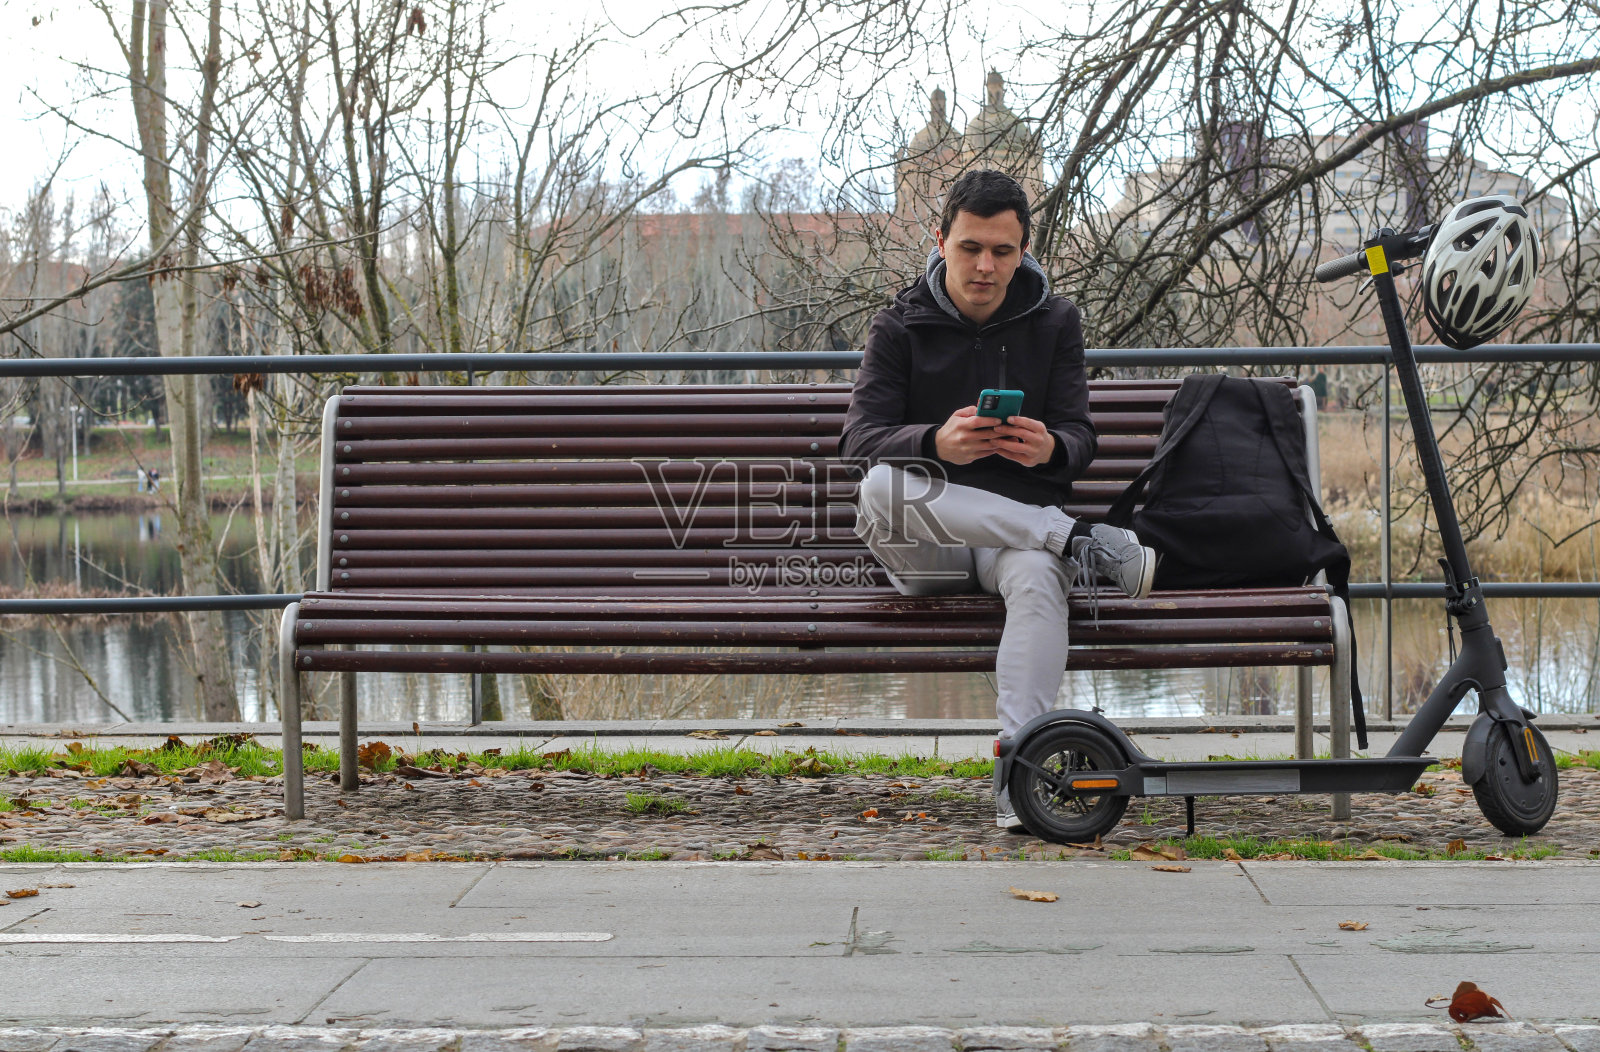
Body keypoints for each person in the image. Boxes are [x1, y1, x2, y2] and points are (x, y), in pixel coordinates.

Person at [840, 169, 1155, 832]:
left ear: (1024, 250)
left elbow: (1081, 437)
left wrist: (1051, 450)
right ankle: (1070, 535)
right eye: (970, 248)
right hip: (926, 543)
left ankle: (1023, 783)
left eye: (1003, 251)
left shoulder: (1056, 322)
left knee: (1041, 578)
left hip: (1013, 547)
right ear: (941, 241)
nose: (985, 266)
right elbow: (860, 438)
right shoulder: (899, 324)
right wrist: (935, 442)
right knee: (876, 487)